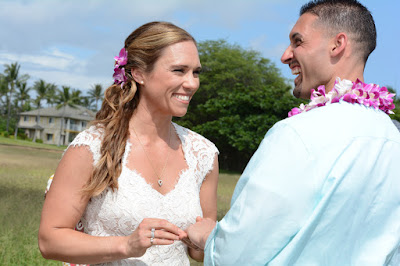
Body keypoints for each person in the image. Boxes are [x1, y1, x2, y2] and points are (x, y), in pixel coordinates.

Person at [186, 0, 400, 265]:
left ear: (337, 44)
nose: (285, 55)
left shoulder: (297, 134)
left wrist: (209, 238)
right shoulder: (393, 139)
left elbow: (239, 252)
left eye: (298, 42)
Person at [38, 21, 219, 265]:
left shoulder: (204, 154)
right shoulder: (92, 146)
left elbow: (198, 252)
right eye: (179, 70)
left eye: (196, 72)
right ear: (138, 73)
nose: (192, 83)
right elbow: (50, 240)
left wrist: (207, 240)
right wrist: (127, 245)